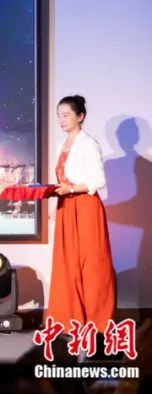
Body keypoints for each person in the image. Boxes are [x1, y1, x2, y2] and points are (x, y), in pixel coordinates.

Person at [47, 94, 116, 335]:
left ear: (80, 116)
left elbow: (99, 180)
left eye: (66, 115)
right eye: (59, 115)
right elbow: (62, 179)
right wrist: (54, 198)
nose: (61, 120)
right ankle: (69, 321)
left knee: (92, 264)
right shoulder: (61, 144)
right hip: (66, 206)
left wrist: (71, 189)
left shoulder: (88, 143)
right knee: (66, 263)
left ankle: (98, 323)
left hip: (86, 206)